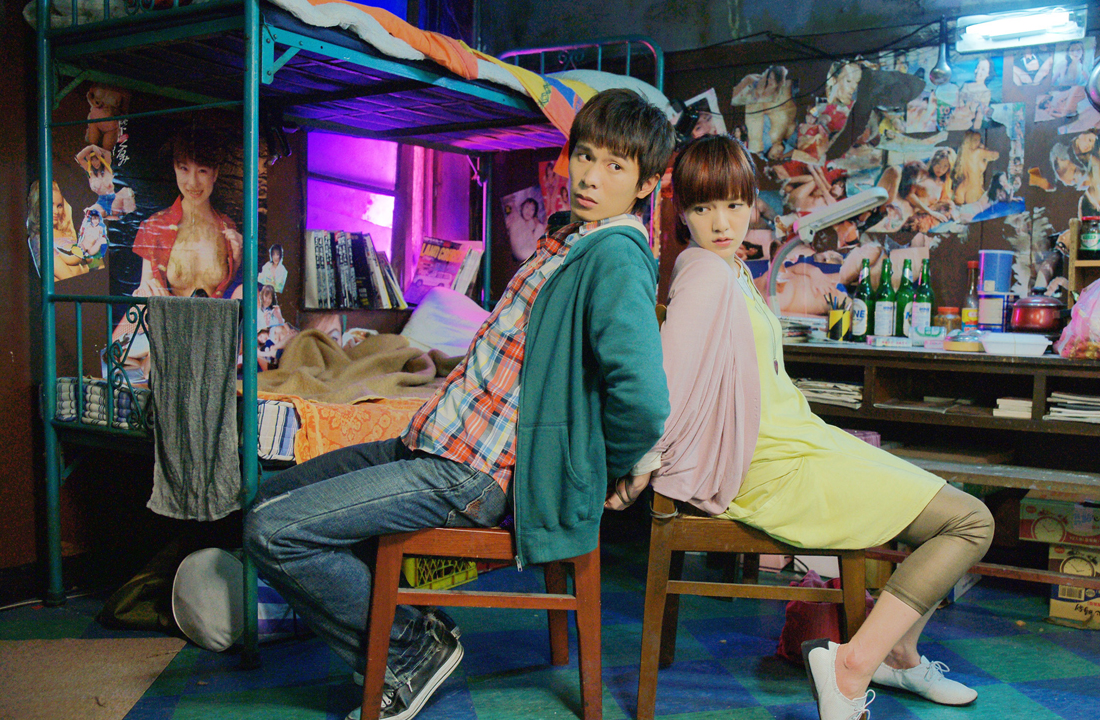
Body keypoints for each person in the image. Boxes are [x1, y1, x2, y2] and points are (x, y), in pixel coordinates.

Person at [244, 88, 674, 720]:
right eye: (585, 155)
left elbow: (642, 394)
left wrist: (617, 464)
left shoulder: (615, 258)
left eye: (615, 166)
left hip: (476, 472)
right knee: (269, 498)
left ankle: (408, 648)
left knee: (272, 530)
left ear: (646, 184)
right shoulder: (570, 238)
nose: (589, 176)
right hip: (439, 437)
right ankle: (409, 628)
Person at [606, 135, 994, 720]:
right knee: (970, 522)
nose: (721, 222)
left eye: (734, 205)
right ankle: (854, 664)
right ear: (681, 212)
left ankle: (899, 655)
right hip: (770, 466)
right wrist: (641, 463)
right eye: (703, 207)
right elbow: (667, 382)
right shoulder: (706, 274)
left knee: (954, 513)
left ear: (751, 205)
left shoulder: (731, 268)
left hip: (798, 443)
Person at [130, 126, 243, 299]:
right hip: (169, 316)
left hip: (214, 316)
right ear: (174, 168)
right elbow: (145, 289)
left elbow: (230, 288)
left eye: (202, 171)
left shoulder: (228, 227)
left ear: (215, 173)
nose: (193, 183)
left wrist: (237, 260)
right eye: (184, 169)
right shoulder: (154, 226)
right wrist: (142, 293)